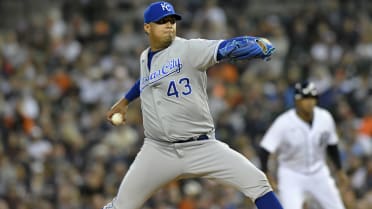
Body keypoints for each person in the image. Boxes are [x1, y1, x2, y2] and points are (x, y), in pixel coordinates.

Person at [103, 1, 282, 209]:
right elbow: (146, 80)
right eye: (162, 22)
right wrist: (125, 101)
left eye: (171, 20)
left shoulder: (189, 49)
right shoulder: (145, 57)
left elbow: (223, 48)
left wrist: (253, 44)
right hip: (157, 150)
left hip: (201, 147)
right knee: (121, 205)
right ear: (147, 27)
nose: (169, 25)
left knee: (257, 182)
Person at [259, 81, 347, 209]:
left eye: (312, 98)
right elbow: (265, 149)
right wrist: (266, 174)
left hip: (319, 172)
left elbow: (332, 145)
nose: (310, 102)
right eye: (305, 98)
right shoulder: (284, 122)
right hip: (291, 175)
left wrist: (339, 170)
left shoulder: (325, 118)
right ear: (297, 101)